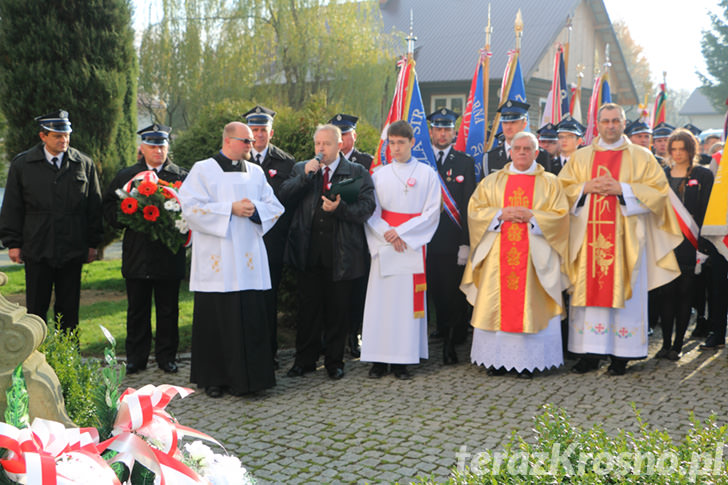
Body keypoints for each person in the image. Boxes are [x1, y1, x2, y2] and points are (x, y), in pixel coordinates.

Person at [558, 103, 681, 376]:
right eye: (605, 121)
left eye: (616, 121)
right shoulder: (581, 157)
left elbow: (659, 194)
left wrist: (622, 189)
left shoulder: (641, 156)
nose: (611, 126)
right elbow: (559, 192)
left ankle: (621, 356)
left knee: (626, 294)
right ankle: (589, 354)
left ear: (623, 123)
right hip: (587, 240)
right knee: (588, 298)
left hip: (626, 242)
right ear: (597, 124)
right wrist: (584, 188)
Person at [179, 121, 284, 398]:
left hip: (249, 257)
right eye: (246, 140)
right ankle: (215, 379)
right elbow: (190, 208)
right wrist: (230, 209)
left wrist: (255, 210)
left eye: (251, 141)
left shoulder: (256, 172)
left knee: (250, 318)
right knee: (217, 318)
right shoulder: (203, 169)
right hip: (218, 258)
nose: (252, 145)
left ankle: (254, 380)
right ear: (228, 141)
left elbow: (274, 206)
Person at [461, 131, 569, 378]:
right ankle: (496, 361)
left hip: (534, 259)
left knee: (530, 303)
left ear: (536, 152)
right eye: (517, 148)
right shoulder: (492, 181)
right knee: (496, 302)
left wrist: (534, 217)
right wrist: (499, 214)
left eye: (527, 148)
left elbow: (561, 217)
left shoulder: (551, 182)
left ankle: (528, 364)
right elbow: (475, 211)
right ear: (510, 151)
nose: (522, 152)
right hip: (498, 256)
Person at [281, 124, 375, 380]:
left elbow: (367, 208)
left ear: (340, 145)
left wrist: (340, 209)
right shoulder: (303, 168)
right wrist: (304, 177)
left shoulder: (355, 171)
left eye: (327, 144)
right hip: (308, 251)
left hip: (341, 253)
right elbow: (284, 196)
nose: (321, 149)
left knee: (338, 310)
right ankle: (304, 361)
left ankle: (335, 362)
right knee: (308, 310)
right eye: (317, 144)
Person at [0, 110, 103, 332]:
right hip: (38, 246)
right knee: (36, 309)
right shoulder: (23, 164)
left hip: (72, 247)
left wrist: (93, 243)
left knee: (69, 310)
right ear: (43, 136)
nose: (63, 140)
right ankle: (37, 357)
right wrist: (13, 243)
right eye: (57, 135)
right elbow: (12, 206)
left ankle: (69, 359)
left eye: (66, 135)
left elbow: (94, 206)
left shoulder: (83, 163)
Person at [103, 124, 187, 374]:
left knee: (168, 310)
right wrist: (125, 217)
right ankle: (136, 358)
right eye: (152, 146)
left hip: (168, 255)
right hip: (137, 255)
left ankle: (166, 357)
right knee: (137, 310)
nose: (158, 151)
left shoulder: (180, 176)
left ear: (168, 146)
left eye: (162, 145)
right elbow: (108, 206)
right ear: (142, 148)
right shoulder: (127, 176)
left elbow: (193, 208)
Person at [360, 120, 441, 380]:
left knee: (405, 305)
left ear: (412, 143)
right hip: (385, 244)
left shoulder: (427, 173)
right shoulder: (379, 174)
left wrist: (402, 233)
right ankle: (379, 360)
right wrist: (387, 233)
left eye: (400, 143)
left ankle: (402, 361)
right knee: (381, 304)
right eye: (391, 143)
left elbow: (431, 212)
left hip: (410, 245)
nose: (395, 148)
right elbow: (370, 211)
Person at [242, 105, 296, 369]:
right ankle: (245, 352)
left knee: (268, 299)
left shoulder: (286, 162)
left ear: (271, 132)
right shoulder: (236, 161)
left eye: (263, 129)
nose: (259, 134)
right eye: (254, 129)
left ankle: (270, 353)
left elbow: (289, 204)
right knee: (244, 299)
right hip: (242, 242)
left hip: (272, 242)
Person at [655, 129, 713, 360]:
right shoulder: (661, 176)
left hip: (690, 244)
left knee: (684, 294)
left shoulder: (703, 175)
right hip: (666, 243)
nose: (678, 154)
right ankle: (665, 344)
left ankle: (678, 345)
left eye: (682, 149)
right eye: (674, 149)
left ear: (691, 150)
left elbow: (707, 212)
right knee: (665, 294)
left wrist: (703, 245)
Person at [425, 108, 476, 363]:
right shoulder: (421, 160)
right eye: (438, 129)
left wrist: (466, 243)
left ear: (454, 132)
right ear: (431, 131)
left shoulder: (464, 162)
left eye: (447, 129)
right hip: (422, 241)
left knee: (452, 293)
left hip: (451, 241)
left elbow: (468, 206)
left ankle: (451, 343)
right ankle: (440, 329)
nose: (442, 133)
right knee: (432, 290)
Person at [328, 112, 374, 357]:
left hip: (360, 235)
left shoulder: (366, 162)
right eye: (338, 134)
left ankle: (354, 334)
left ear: (354, 136)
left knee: (358, 290)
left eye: (346, 133)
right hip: (332, 236)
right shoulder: (325, 159)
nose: (342, 139)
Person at [484, 100, 552, 175]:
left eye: (513, 122)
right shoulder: (490, 157)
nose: (508, 127)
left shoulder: (539, 155)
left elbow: (545, 183)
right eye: (505, 122)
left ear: (524, 124)